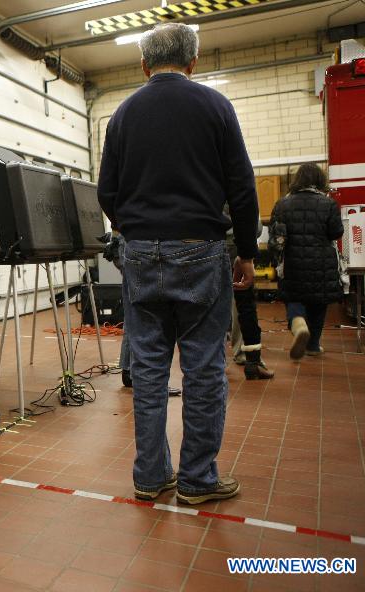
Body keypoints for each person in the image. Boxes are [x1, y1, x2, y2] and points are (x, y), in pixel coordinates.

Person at [97, 23, 259, 505]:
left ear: (144, 65)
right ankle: (197, 480)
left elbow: (107, 191)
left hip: (141, 253)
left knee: (147, 368)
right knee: (204, 368)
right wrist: (246, 251)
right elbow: (242, 186)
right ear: (193, 63)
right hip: (201, 249)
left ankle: (150, 476)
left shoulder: (123, 114)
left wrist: (136, 230)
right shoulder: (215, 106)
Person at [268, 164, 343, 359]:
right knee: (318, 303)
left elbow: (274, 234)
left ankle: (298, 323)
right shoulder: (329, 204)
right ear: (319, 180)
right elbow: (336, 232)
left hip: (292, 263)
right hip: (321, 263)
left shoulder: (282, 204)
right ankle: (313, 345)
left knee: (294, 297)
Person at [105, 233, 181, 396]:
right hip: (143, 242)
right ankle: (143, 378)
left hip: (128, 242)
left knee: (135, 312)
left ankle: (129, 371)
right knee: (153, 316)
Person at [227, 213, 274, 379]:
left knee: (211, 304)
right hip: (238, 247)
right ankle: (246, 356)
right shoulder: (239, 187)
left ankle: (215, 358)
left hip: (205, 247)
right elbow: (255, 224)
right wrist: (246, 256)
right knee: (241, 304)